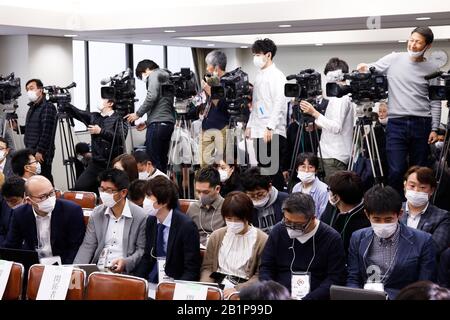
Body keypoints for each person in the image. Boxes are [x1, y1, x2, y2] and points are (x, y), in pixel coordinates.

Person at [357, 27, 441, 195]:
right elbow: (372, 68)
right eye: (411, 40)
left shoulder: (433, 68)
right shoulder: (394, 58)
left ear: (428, 46)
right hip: (396, 122)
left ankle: (417, 205)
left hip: (421, 123)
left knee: (420, 171)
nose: (413, 45)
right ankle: (397, 206)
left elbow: (435, 100)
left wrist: (435, 128)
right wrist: (363, 66)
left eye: (418, 42)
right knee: (396, 170)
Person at [347, 185, 437, 299]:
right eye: (377, 219)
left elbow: (425, 287)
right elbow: (353, 278)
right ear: (367, 215)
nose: (383, 224)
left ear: (399, 214)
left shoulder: (423, 241)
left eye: (388, 219)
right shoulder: (357, 237)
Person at [259, 193, 346, 300]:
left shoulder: (331, 238)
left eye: (298, 224)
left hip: (316, 296)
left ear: (313, 218)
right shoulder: (278, 231)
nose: (291, 227)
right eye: (287, 221)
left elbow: (334, 278)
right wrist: (274, 293)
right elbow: (266, 268)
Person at [73, 169, 146, 274]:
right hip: (99, 270)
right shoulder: (97, 213)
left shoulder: (140, 216)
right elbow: (88, 245)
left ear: (123, 192)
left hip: (124, 271)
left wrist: (125, 262)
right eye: (102, 189)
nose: (103, 194)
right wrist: (76, 270)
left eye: (109, 191)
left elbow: (141, 250)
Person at [200, 191, 268, 298]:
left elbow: (260, 275)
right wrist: (209, 289)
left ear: (247, 217)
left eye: (238, 220)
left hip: (244, 290)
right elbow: (208, 268)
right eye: (229, 219)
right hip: (217, 286)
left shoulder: (262, 239)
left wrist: (238, 290)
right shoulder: (216, 236)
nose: (233, 223)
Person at [4, 175, 85, 264]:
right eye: (42, 197)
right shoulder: (19, 214)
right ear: (29, 200)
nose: (49, 199)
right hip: (34, 265)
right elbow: (11, 247)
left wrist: (65, 269)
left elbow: (75, 247)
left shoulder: (71, 211)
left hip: (63, 264)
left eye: (51, 193)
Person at [135, 176, 201, 282]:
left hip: (175, 281)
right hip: (153, 278)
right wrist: (137, 281)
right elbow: (147, 257)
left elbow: (191, 269)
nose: (145, 201)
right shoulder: (151, 221)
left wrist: (175, 290)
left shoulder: (186, 226)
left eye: (149, 196)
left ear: (164, 202)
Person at [300, 58, 355, 183]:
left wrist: (314, 112)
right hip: (331, 155)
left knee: (333, 195)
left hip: (333, 156)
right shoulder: (340, 96)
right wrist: (317, 126)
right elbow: (333, 124)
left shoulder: (340, 98)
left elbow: (336, 127)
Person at [246, 38, 288, 191]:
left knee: (272, 170)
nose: (255, 58)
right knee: (263, 170)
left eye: (258, 54)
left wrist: (270, 127)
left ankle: (280, 199)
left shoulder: (277, 76)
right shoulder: (259, 76)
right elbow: (256, 104)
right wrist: (250, 125)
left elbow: (280, 103)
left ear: (268, 55)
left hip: (272, 131)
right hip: (258, 129)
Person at [62, 98, 128, 192]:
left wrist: (101, 131)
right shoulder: (94, 116)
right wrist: (65, 103)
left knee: (110, 189)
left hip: (112, 163)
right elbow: (78, 113)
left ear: (110, 103)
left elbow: (120, 138)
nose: (99, 100)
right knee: (80, 186)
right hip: (96, 162)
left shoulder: (120, 118)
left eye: (103, 99)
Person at [125, 60, 175, 173]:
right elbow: (163, 104)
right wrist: (147, 123)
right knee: (162, 160)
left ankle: (157, 188)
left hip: (157, 125)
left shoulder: (154, 74)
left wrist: (138, 114)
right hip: (167, 124)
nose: (143, 78)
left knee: (153, 162)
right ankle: (163, 188)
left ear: (146, 70)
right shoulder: (166, 76)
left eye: (140, 75)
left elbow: (151, 97)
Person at [401, 166, 450, 254]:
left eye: (422, 187)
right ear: (404, 186)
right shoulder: (394, 210)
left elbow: (435, 247)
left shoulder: (442, 217)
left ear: (432, 191)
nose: (416, 190)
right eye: (412, 186)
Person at [16, 79, 57, 184]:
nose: (29, 91)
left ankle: (51, 197)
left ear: (40, 90)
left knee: (44, 178)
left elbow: (47, 131)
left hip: (41, 152)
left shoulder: (47, 106)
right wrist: (17, 127)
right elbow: (30, 128)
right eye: (27, 89)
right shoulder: (32, 107)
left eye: (31, 88)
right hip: (31, 149)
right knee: (35, 180)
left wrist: (40, 151)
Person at [320, 171, 370, 254]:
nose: (329, 193)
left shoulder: (364, 220)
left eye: (329, 190)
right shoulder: (332, 205)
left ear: (336, 197)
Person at [199, 50, 230, 166]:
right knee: (203, 164)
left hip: (221, 127)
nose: (207, 69)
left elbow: (223, 106)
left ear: (216, 68)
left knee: (220, 164)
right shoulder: (212, 81)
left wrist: (209, 90)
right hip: (207, 125)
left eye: (208, 66)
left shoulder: (228, 82)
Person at [241, 166, 288, 234]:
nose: (256, 198)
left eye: (260, 194)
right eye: (251, 195)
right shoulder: (245, 204)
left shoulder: (284, 199)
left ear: (269, 187)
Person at [186, 166, 225, 246]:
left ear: (217, 189)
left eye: (206, 192)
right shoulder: (193, 208)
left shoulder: (227, 208)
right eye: (198, 191)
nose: (201, 196)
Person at [291, 152, 328, 218]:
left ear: (316, 170)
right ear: (297, 170)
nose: (306, 170)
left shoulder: (323, 190)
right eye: (303, 167)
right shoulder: (296, 188)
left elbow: (323, 217)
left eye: (310, 167)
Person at [0, 176, 25, 245]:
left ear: (25, 196)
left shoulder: (35, 209)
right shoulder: (4, 204)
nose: (10, 204)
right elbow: (2, 231)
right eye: (7, 201)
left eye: (14, 201)